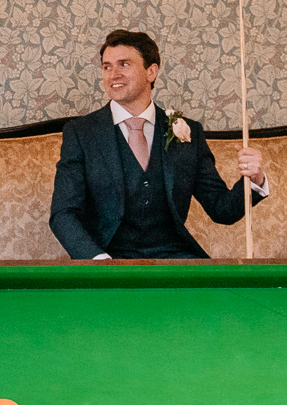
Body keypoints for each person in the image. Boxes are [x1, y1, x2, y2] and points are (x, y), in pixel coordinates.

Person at [49, 29, 269, 260]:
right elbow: (63, 213)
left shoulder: (189, 132)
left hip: (176, 258)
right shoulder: (81, 133)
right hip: (107, 259)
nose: (113, 74)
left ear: (151, 72)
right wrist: (97, 260)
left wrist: (254, 181)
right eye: (107, 67)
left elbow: (221, 209)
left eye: (124, 64)